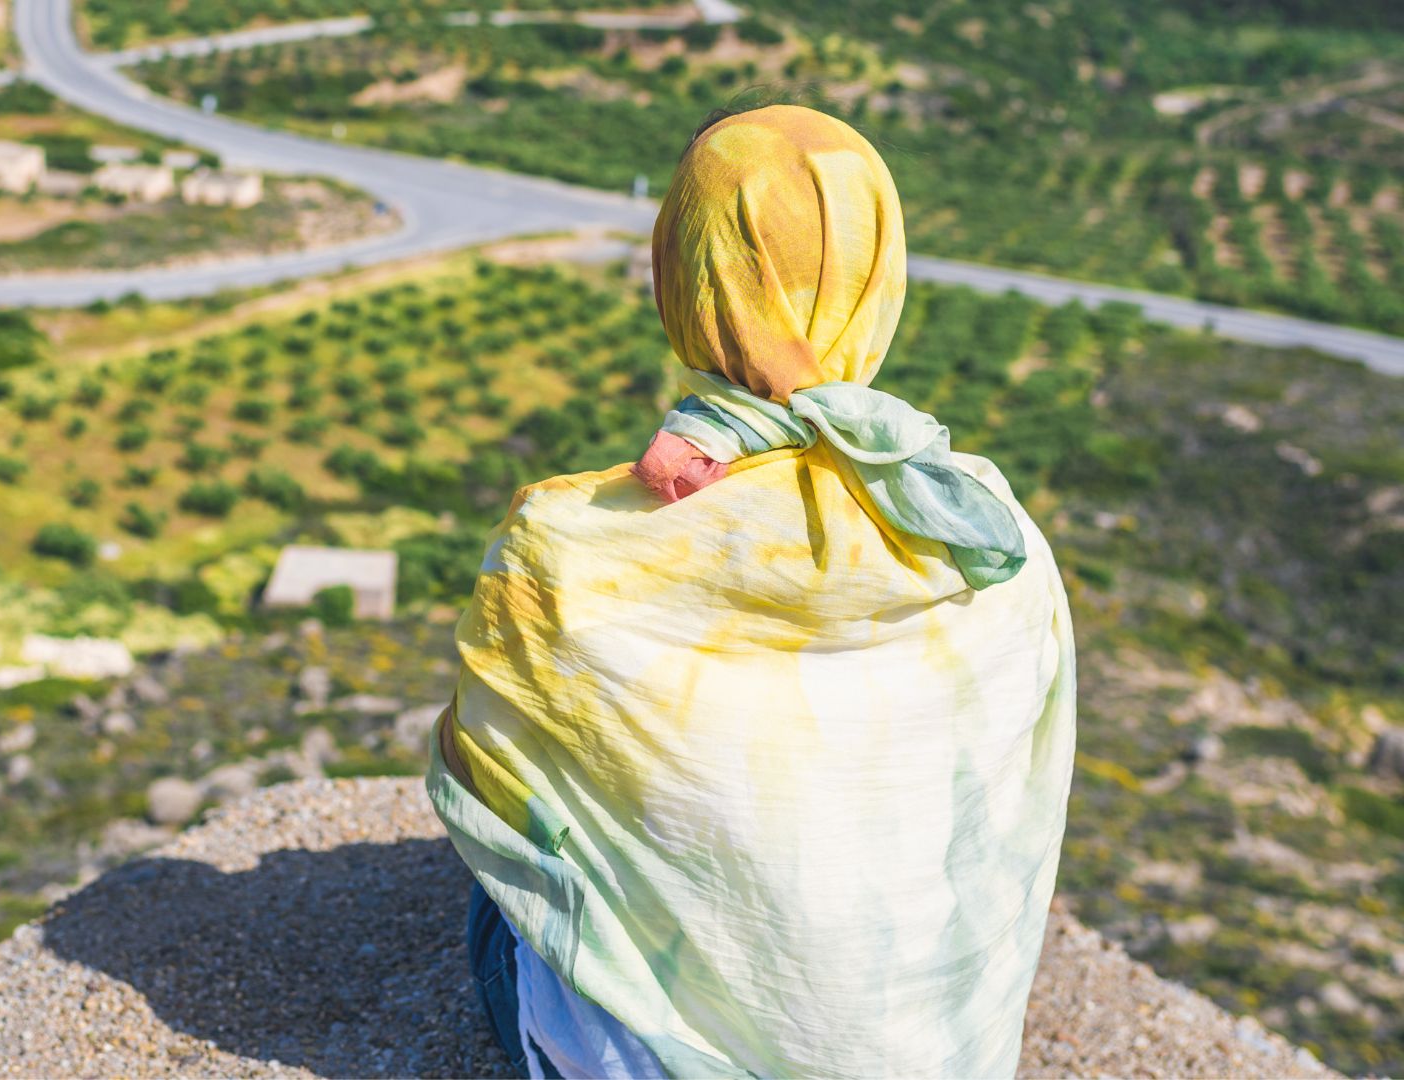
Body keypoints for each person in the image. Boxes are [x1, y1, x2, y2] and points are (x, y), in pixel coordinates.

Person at [427, 103, 1076, 1078]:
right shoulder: (983, 526)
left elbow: (485, 782)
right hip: (931, 1056)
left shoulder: (570, 543)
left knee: (505, 872)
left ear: (684, 275)